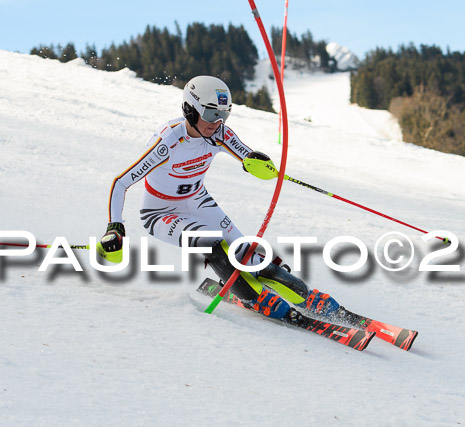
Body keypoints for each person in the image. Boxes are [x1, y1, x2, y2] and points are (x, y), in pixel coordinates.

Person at [98, 75, 340, 325]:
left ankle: (305, 296)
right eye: (212, 114)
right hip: (160, 212)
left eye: (224, 115)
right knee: (211, 242)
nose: (218, 123)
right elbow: (121, 182)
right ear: (190, 110)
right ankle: (255, 298)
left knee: (247, 254)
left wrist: (259, 165)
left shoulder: (220, 133)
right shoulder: (168, 142)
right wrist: (114, 226)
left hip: (197, 199)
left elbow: (247, 157)